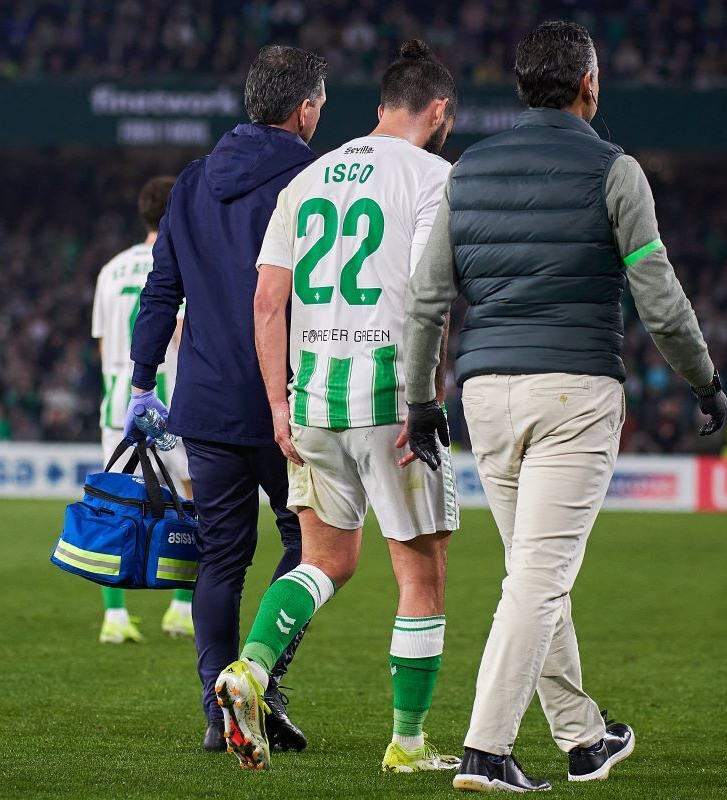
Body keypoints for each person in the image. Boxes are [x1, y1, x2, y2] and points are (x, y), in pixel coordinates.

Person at [401, 21, 727, 793]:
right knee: (539, 580)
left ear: (521, 88)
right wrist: (704, 380)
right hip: (574, 391)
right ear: (589, 85)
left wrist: (421, 399)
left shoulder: (466, 173)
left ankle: (584, 738)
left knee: (532, 572)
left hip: (483, 393)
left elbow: (425, 302)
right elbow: (659, 297)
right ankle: (486, 750)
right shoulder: (615, 170)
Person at [215, 39, 462, 774]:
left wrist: (277, 404)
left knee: (326, 558)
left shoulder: (310, 174)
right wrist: (425, 400)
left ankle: (250, 670)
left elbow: (266, 299)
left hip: (313, 400)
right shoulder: (432, 177)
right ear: (438, 111)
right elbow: (428, 297)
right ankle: (408, 743)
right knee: (419, 575)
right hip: (390, 398)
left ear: (380, 108)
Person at [125, 45, 327, 753]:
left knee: (221, 560)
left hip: (206, 404)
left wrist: (142, 377)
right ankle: (259, 681)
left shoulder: (193, 182)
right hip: (290, 402)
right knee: (313, 548)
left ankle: (220, 712)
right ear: (304, 110)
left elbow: (162, 288)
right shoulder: (314, 178)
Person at [91, 175, 195, 643]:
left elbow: (102, 345)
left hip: (119, 401)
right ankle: (180, 606)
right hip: (166, 402)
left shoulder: (110, 270)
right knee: (193, 493)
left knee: (112, 500)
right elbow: (178, 333)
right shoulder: (181, 262)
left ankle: (114, 616)